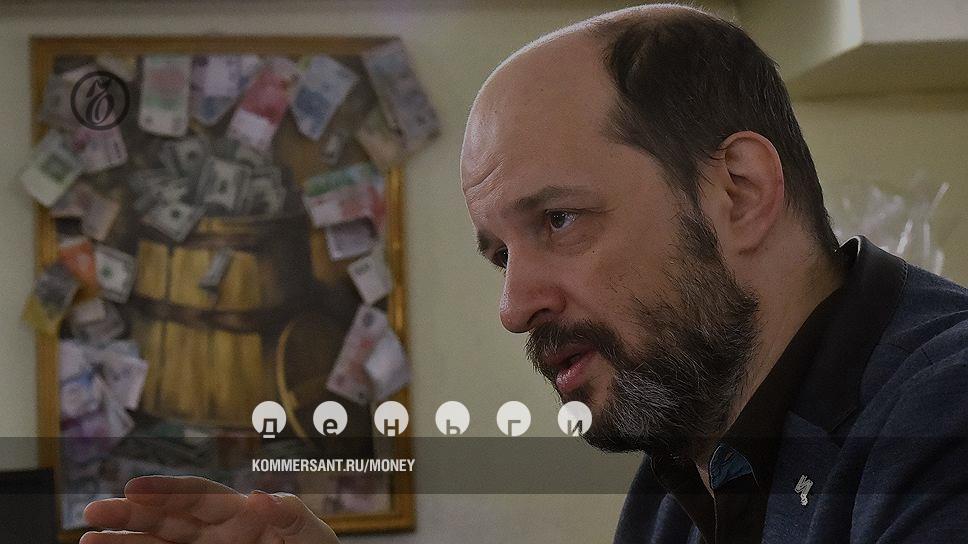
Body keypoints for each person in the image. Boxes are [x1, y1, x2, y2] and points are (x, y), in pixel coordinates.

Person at [82, 4, 968, 543]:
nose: (513, 306)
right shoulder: (689, 455)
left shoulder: (944, 421)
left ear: (738, 191)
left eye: (559, 221)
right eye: (501, 254)